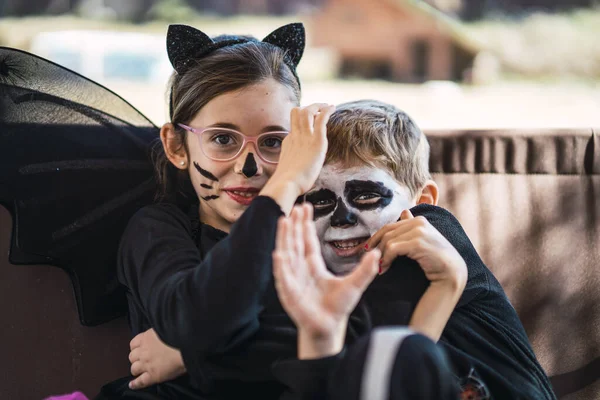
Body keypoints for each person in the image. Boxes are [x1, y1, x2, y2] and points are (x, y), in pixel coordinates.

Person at [129, 101, 557, 400]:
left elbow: (375, 342)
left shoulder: (426, 232)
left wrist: (194, 352)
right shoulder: (302, 257)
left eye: (367, 196)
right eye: (318, 200)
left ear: (421, 199)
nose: (342, 219)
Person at [97, 22, 339, 399]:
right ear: (177, 146)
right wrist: (282, 186)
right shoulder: (157, 230)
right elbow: (197, 323)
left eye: (274, 142)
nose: (249, 167)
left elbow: (352, 334)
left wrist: (191, 357)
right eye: (223, 139)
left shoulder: (317, 226)